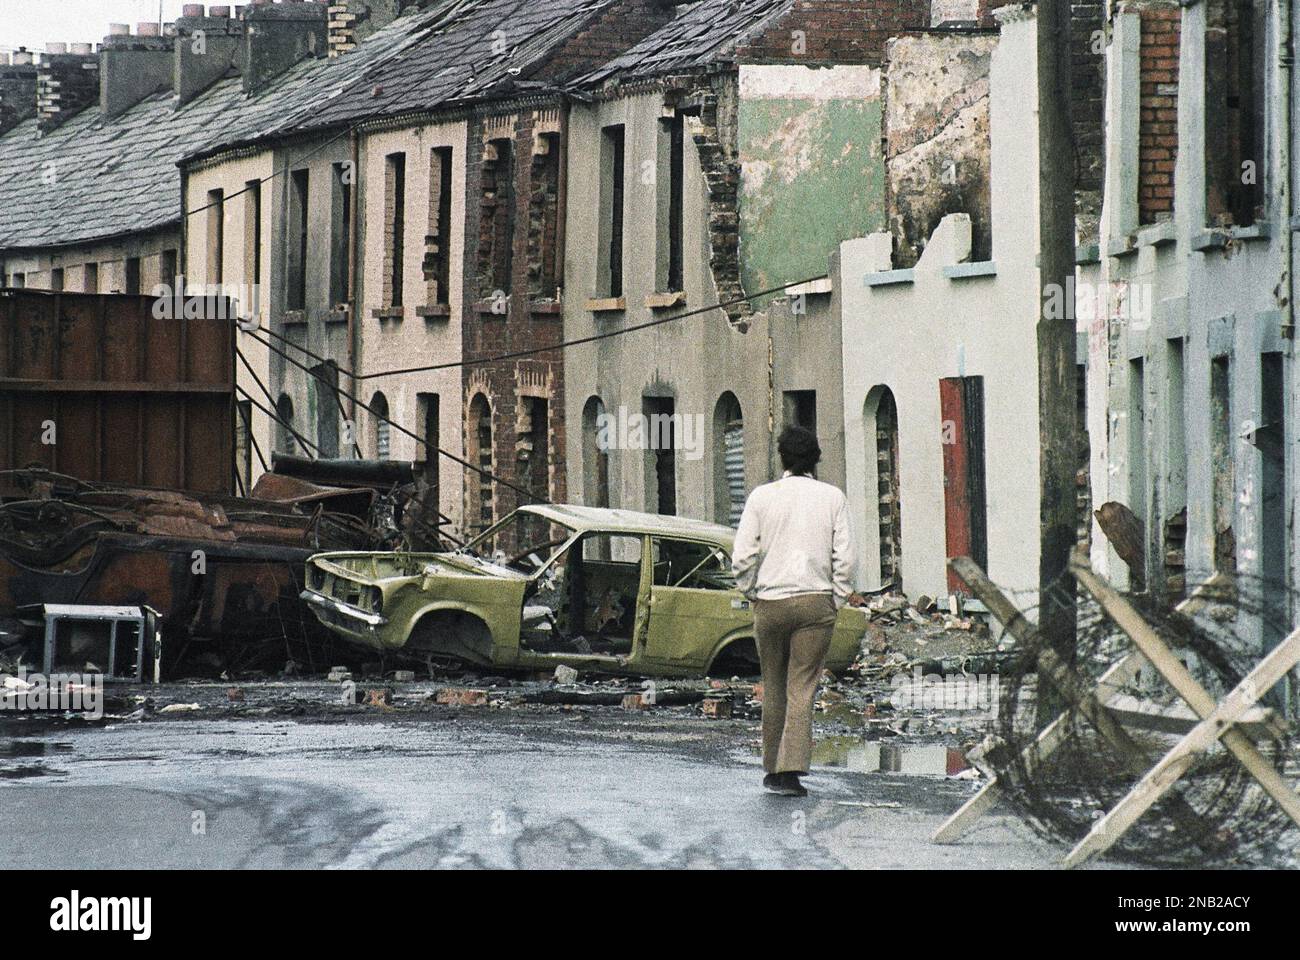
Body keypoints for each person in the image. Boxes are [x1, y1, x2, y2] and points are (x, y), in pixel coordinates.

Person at [732, 425, 858, 797]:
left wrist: (752, 591)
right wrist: (836, 598)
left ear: (782, 457)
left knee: (773, 685)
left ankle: (771, 769)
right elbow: (846, 558)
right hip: (815, 602)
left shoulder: (761, 497)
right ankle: (791, 773)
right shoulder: (832, 497)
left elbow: (742, 556)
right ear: (816, 459)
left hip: (770, 603)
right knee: (802, 686)